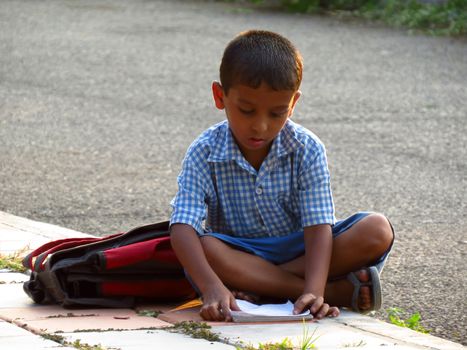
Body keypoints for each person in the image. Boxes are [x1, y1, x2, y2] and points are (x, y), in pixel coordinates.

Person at [169, 30, 394, 322]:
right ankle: (335, 291)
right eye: (246, 110)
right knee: (206, 246)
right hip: (239, 252)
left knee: (377, 229)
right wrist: (211, 287)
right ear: (219, 96)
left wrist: (315, 289)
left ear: (294, 104)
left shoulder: (306, 147)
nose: (260, 126)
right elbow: (182, 226)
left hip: (300, 249)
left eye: (277, 113)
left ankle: (260, 285)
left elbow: (317, 224)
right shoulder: (204, 151)